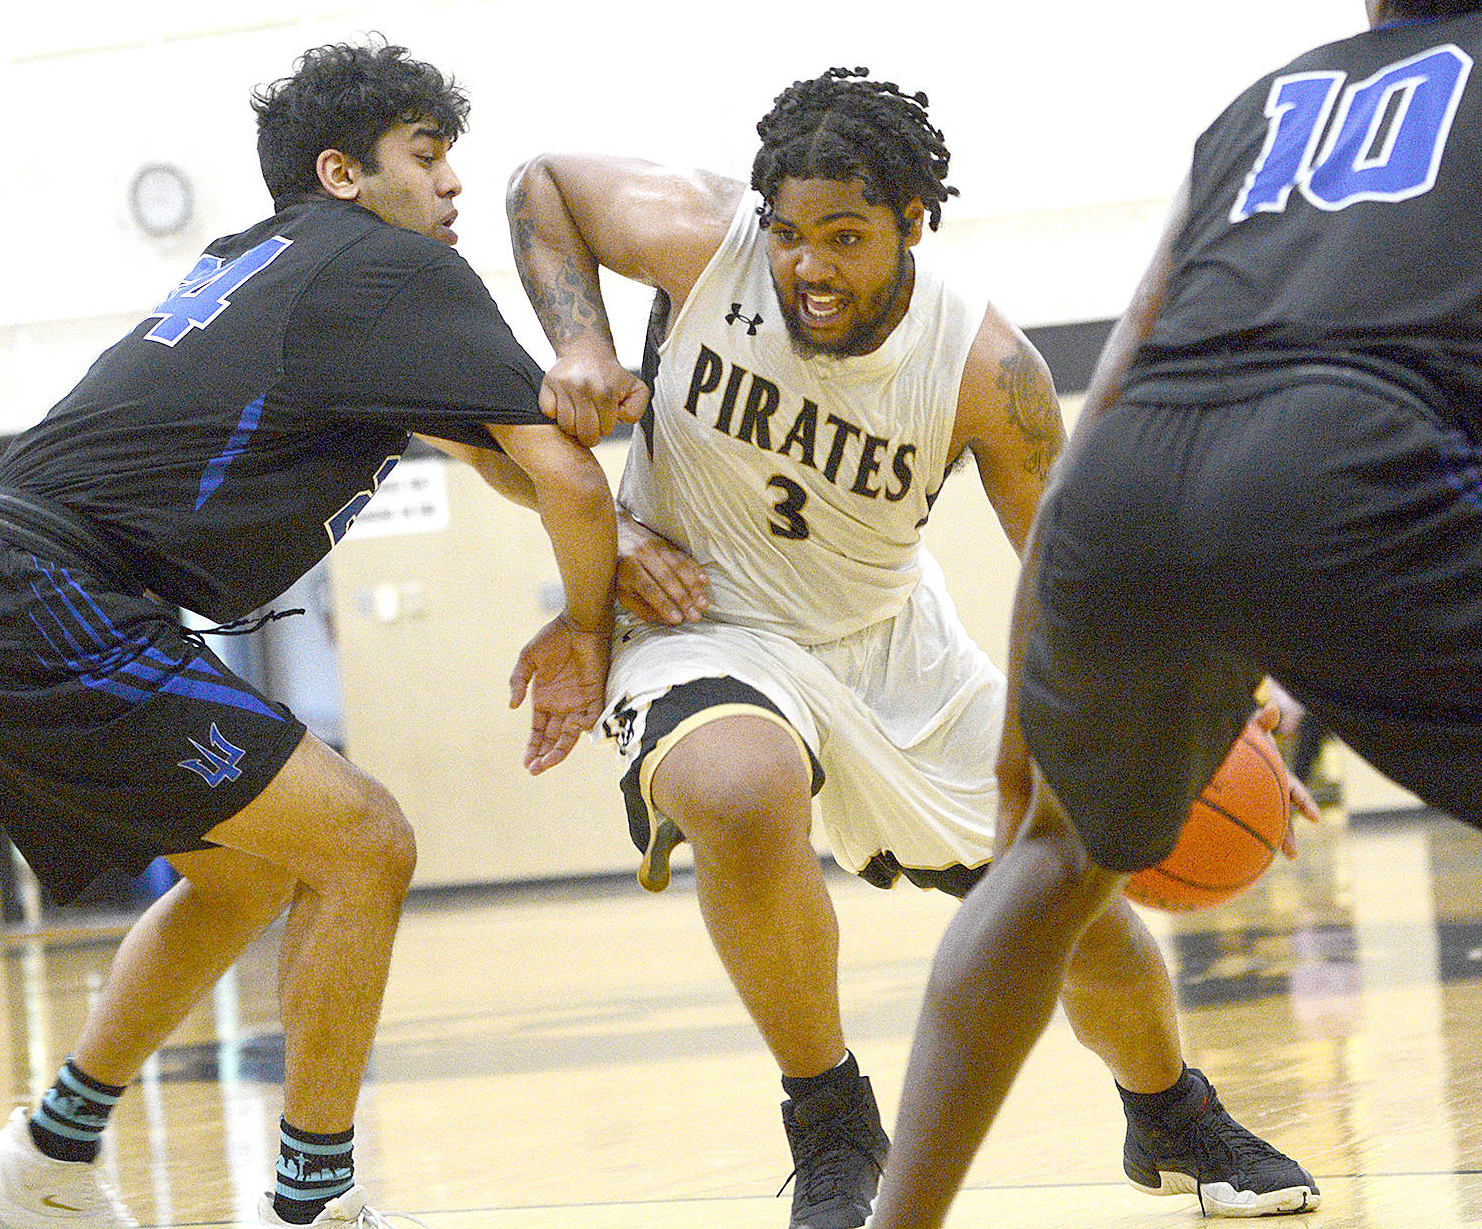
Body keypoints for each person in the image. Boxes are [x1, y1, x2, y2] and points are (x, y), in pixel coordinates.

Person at [869, 0, 1482, 1225]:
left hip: (1129, 485)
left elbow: (1112, 386)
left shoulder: (1263, 108)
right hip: (1353, 469)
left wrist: (1031, 688)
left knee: (1050, 862)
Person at [507, 68, 1322, 1227]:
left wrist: (1206, 692)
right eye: (790, 234)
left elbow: (1077, 560)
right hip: (704, 623)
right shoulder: (702, 240)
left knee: (1070, 894)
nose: (808, 266)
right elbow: (542, 183)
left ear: (912, 224)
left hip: (893, 647)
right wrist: (583, 341)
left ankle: (1171, 1114)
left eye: (845, 237)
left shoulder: (987, 368)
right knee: (738, 791)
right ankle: (832, 1124)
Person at [0, 38, 616, 1229]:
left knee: (244, 875)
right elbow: (568, 480)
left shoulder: (278, 263)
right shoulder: (391, 268)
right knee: (365, 843)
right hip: (42, 593)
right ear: (343, 174)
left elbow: (506, 460)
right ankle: (313, 1203)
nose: (452, 184)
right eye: (426, 156)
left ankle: (43, 1156)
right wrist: (587, 627)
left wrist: (588, 503)